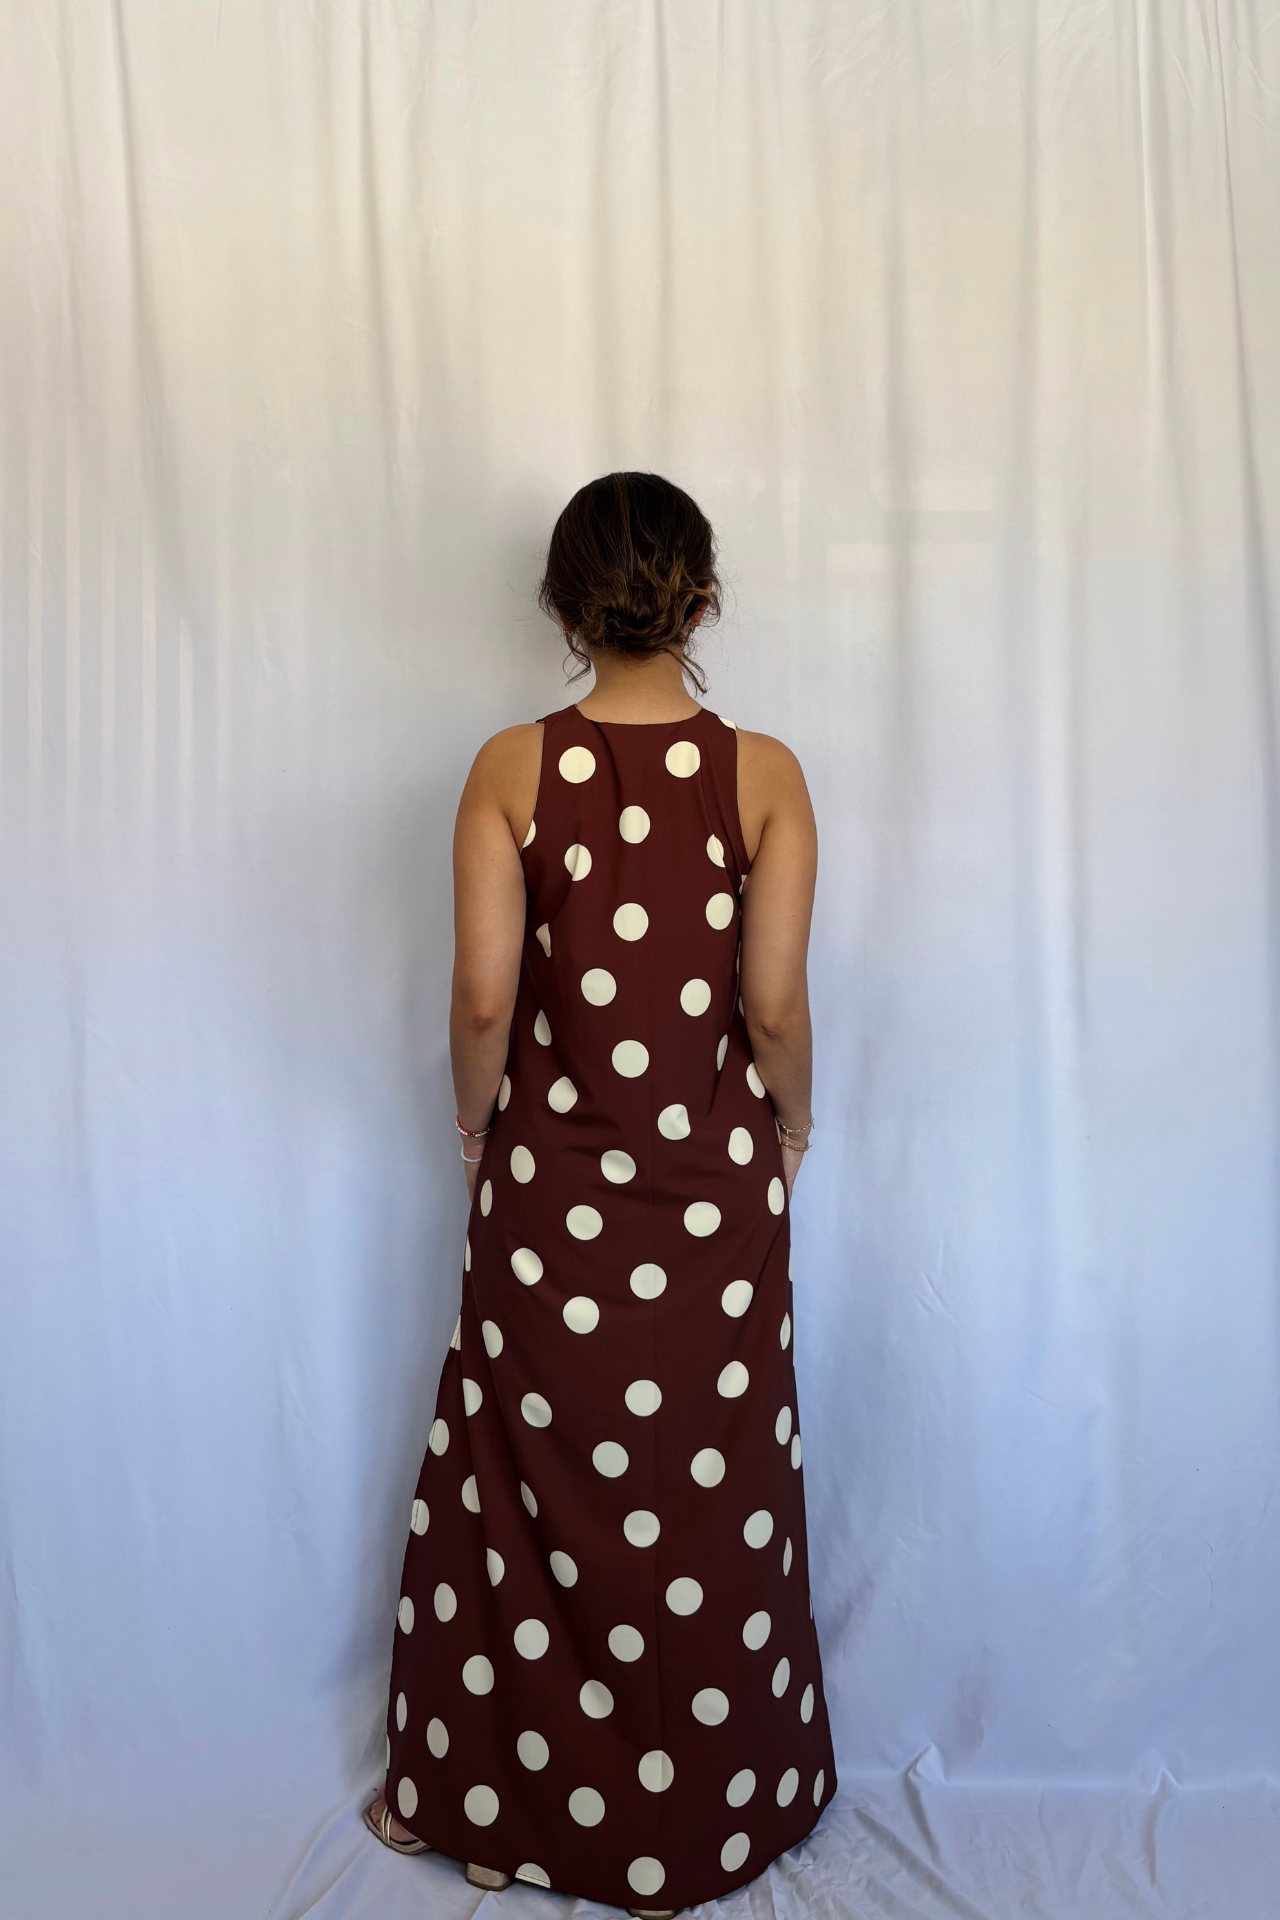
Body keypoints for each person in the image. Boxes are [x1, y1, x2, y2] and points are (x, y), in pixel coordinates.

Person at [364, 471, 836, 1914]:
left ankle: (486, 1802)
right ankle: (726, 1805)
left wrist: (474, 1124)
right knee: (713, 1491)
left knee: (524, 1490)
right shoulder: (765, 775)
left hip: (545, 1198)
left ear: (562, 607)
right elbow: (771, 1008)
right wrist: (794, 1128)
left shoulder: (511, 769)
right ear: (704, 599)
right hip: (715, 1203)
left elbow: (484, 996)